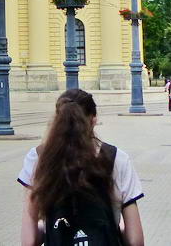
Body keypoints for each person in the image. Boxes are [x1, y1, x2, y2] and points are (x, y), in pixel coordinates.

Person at [19, 89, 144, 246]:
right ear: (93, 120)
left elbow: (29, 241)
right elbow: (136, 241)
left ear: (58, 121)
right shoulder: (117, 158)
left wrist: (51, 229)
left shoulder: (38, 158)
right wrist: (115, 230)